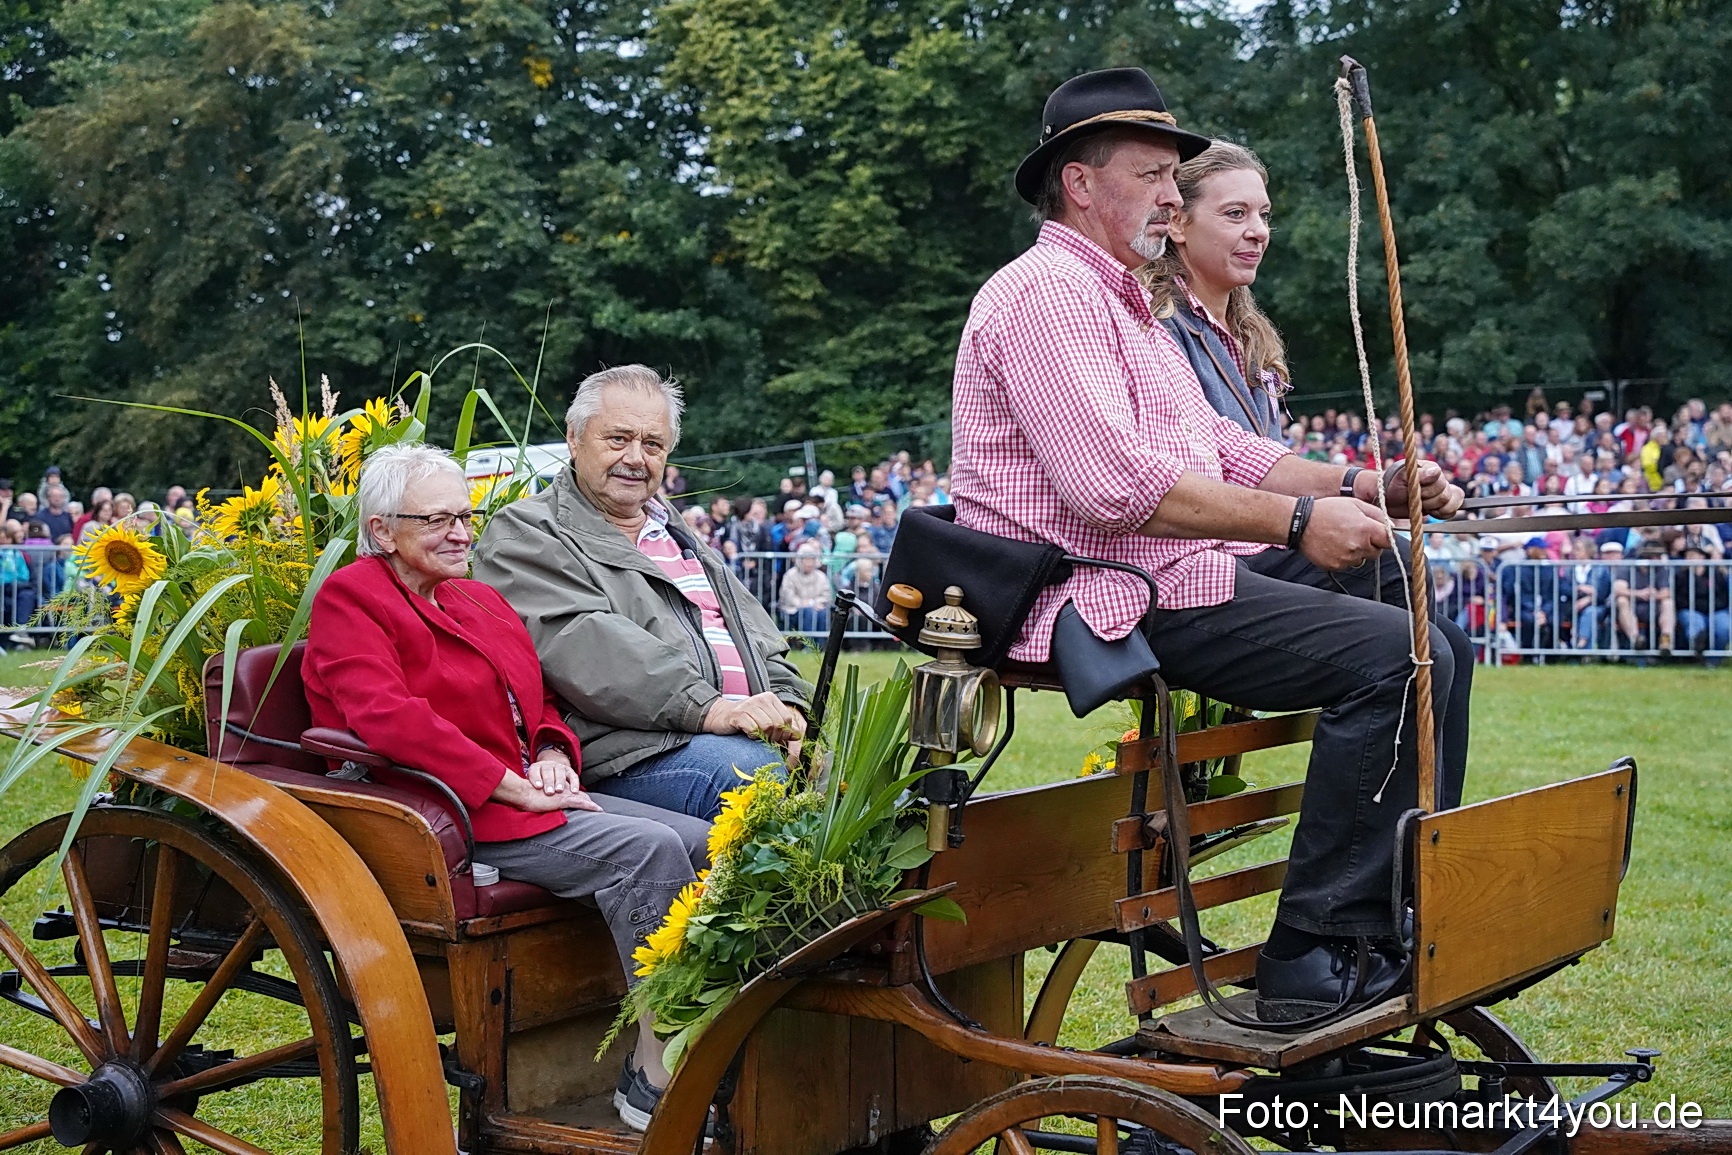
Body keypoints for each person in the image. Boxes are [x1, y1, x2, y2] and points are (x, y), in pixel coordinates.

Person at [951, 67, 1465, 1023]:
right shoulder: (1045, 294)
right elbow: (1111, 486)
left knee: (1418, 607)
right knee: (1403, 659)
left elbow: (1228, 449)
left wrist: (1365, 487)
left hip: (1165, 571)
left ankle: (1399, 904)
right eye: (1152, 175)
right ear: (1080, 183)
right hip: (1100, 592)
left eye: (1171, 177)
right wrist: (1300, 525)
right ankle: (1316, 949)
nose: (1168, 195)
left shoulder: (1128, 303)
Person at [304, 444, 708, 1131]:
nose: (460, 533)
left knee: (698, 838)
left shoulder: (479, 597)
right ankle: (656, 1067)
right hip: (444, 807)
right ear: (382, 531)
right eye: (437, 520)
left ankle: (671, 1036)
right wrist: (508, 785)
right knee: (647, 850)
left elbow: (537, 695)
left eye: (465, 517)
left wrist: (551, 750)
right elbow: (388, 716)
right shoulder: (353, 597)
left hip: (520, 790)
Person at [1139, 139, 1475, 783]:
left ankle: (1428, 824)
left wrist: (1373, 486)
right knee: (1406, 627)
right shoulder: (1156, 327)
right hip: (1210, 553)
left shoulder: (1247, 336)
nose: (1258, 231)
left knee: (1442, 636)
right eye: (1235, 214)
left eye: (1264, 215)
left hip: (1258, 540)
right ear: (1177, 223)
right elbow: (1198, 473)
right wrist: (1327, 507)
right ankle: (1385, 822)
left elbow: (1255, 454)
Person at [474, 365, 812, 821]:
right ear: (574, 439)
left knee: (866, 770)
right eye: (618, 439)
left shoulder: (678, 534)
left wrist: (788, 707)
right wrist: (712, 709)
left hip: (729, 733)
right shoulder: (527, 531)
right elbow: (584, 645)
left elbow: (761, 640)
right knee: (750, 774)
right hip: (628, 752)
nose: (636, 458)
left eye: (652, 444)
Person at [778, 542, 832, 634]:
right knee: (808, 612)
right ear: (800, 560)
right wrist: (803, 603)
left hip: (816, 607)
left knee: (823, 613)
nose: (810, 563)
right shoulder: (790, 575)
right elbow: (788, 596)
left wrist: (813, 602)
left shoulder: (821, 576)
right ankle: (808, 642)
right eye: (807, 560)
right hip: (793, 610)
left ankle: (822, 642)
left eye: (812, 560)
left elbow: (826, 596)